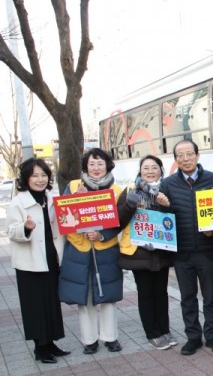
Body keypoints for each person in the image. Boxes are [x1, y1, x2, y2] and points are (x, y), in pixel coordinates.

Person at [160, 139, 213, 356]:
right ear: (175, 159)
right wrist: (164, 207)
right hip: (182, 253)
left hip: (207, 251)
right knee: (187, 297)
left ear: (198, 156)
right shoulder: (168, 184)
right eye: (181, 155)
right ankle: (193, 337)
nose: (186, 158)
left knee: (210, 296)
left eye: (190, 154)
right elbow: (162, 220)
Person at [58, 148, 124, 354]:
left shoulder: (117, 190)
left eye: (100, 164)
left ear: (108, 166)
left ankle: (110, 337)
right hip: (80, 250)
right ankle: (90, 340)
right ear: (85, 166)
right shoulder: (73, 186)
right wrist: (76, 200)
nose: (96, 168)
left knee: (109, 296)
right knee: (85, 298)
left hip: (106, 249)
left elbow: (121, 221)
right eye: (92, 164)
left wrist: (101, 234)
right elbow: (64, 219)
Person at [7, 158, 69, 364]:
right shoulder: (18, 202)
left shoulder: (51, 199)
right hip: (30, 261)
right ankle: (39, 348)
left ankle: (51, 343)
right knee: (34, 306)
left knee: (51, 302)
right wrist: (26, 228)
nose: (40, 179)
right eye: (35, 175)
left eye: (44, 175)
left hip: (51, 258)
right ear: (26, 178)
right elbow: (10, 231)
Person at [116, 155, 176, 350]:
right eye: (146, 168)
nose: (150, 171)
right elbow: (118, 221)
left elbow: (175, 220)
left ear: (161, 170)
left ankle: (165, 330)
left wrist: (168, 206)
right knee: (146, 293)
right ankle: (153, 333)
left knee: (161, 293)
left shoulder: (167, 190)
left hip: (162, 251)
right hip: (138, 252)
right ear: (140, 171)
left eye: (154, 167)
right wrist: (129, 205)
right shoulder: (130, 191)